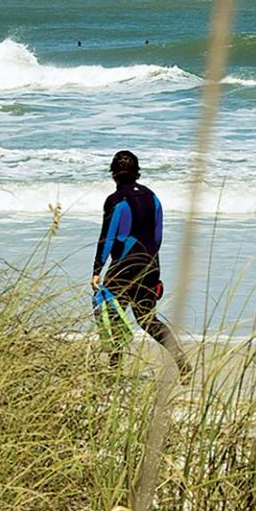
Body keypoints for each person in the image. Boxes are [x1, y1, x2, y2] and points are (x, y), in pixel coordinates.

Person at [93, 150, 188, 376]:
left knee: (114, 315)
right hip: (150, 263)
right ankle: (181, 361)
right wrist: (150, 265)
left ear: (114, 174)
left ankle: (114, 371)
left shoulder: (115, 200)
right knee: (147, 320)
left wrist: (97, 269)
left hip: (124, 266)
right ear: (137, 173)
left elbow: (107, 236)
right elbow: (157, 237)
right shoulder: (153, 197)